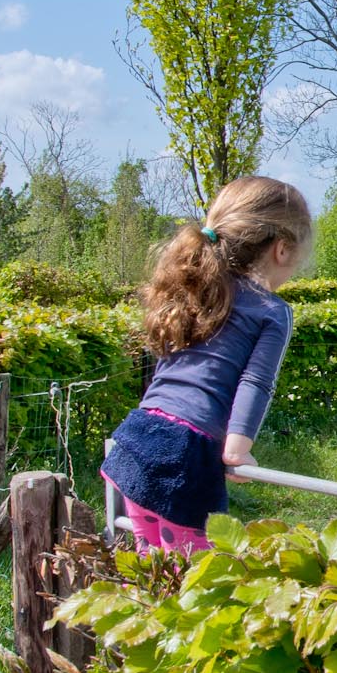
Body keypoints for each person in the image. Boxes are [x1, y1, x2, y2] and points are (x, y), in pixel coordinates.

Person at [100, 175, 311, 553]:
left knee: (152, 571)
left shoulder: (200, 290)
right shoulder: (272, 311)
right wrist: (237, 449)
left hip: (138, 435)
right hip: (184, 455)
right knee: (200, 582)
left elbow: (168, 364)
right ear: (282, 249)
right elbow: (256, 381)